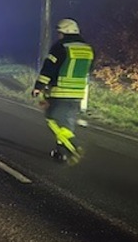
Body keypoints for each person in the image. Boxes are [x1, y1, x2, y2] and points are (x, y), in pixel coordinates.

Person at [32, 18, 94, 165]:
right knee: (66, 121)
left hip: (60, 91)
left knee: (52, 119)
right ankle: (61, 153)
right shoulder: (88, 49)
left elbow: (49, 69)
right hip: (78, 93)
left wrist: (38, 86)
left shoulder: (60, 47)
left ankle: (73, 146)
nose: (58, 35)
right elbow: (89, 70)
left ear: (65, 32)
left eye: (59, 32)